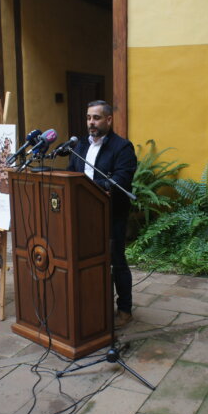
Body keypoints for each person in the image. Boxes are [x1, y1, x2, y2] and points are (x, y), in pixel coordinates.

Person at [66, 100, 137, 328]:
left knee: (117, 261)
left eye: (96, 118)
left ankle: (125, 309)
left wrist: (89, 186)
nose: (91, 123)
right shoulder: (80, 146)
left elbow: (120, 179)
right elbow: (70, 173)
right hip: (82, 214)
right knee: (87, 261)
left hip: (111, 214)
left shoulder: (123, 147)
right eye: (88, 117)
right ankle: (94, 304)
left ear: (108, 120)